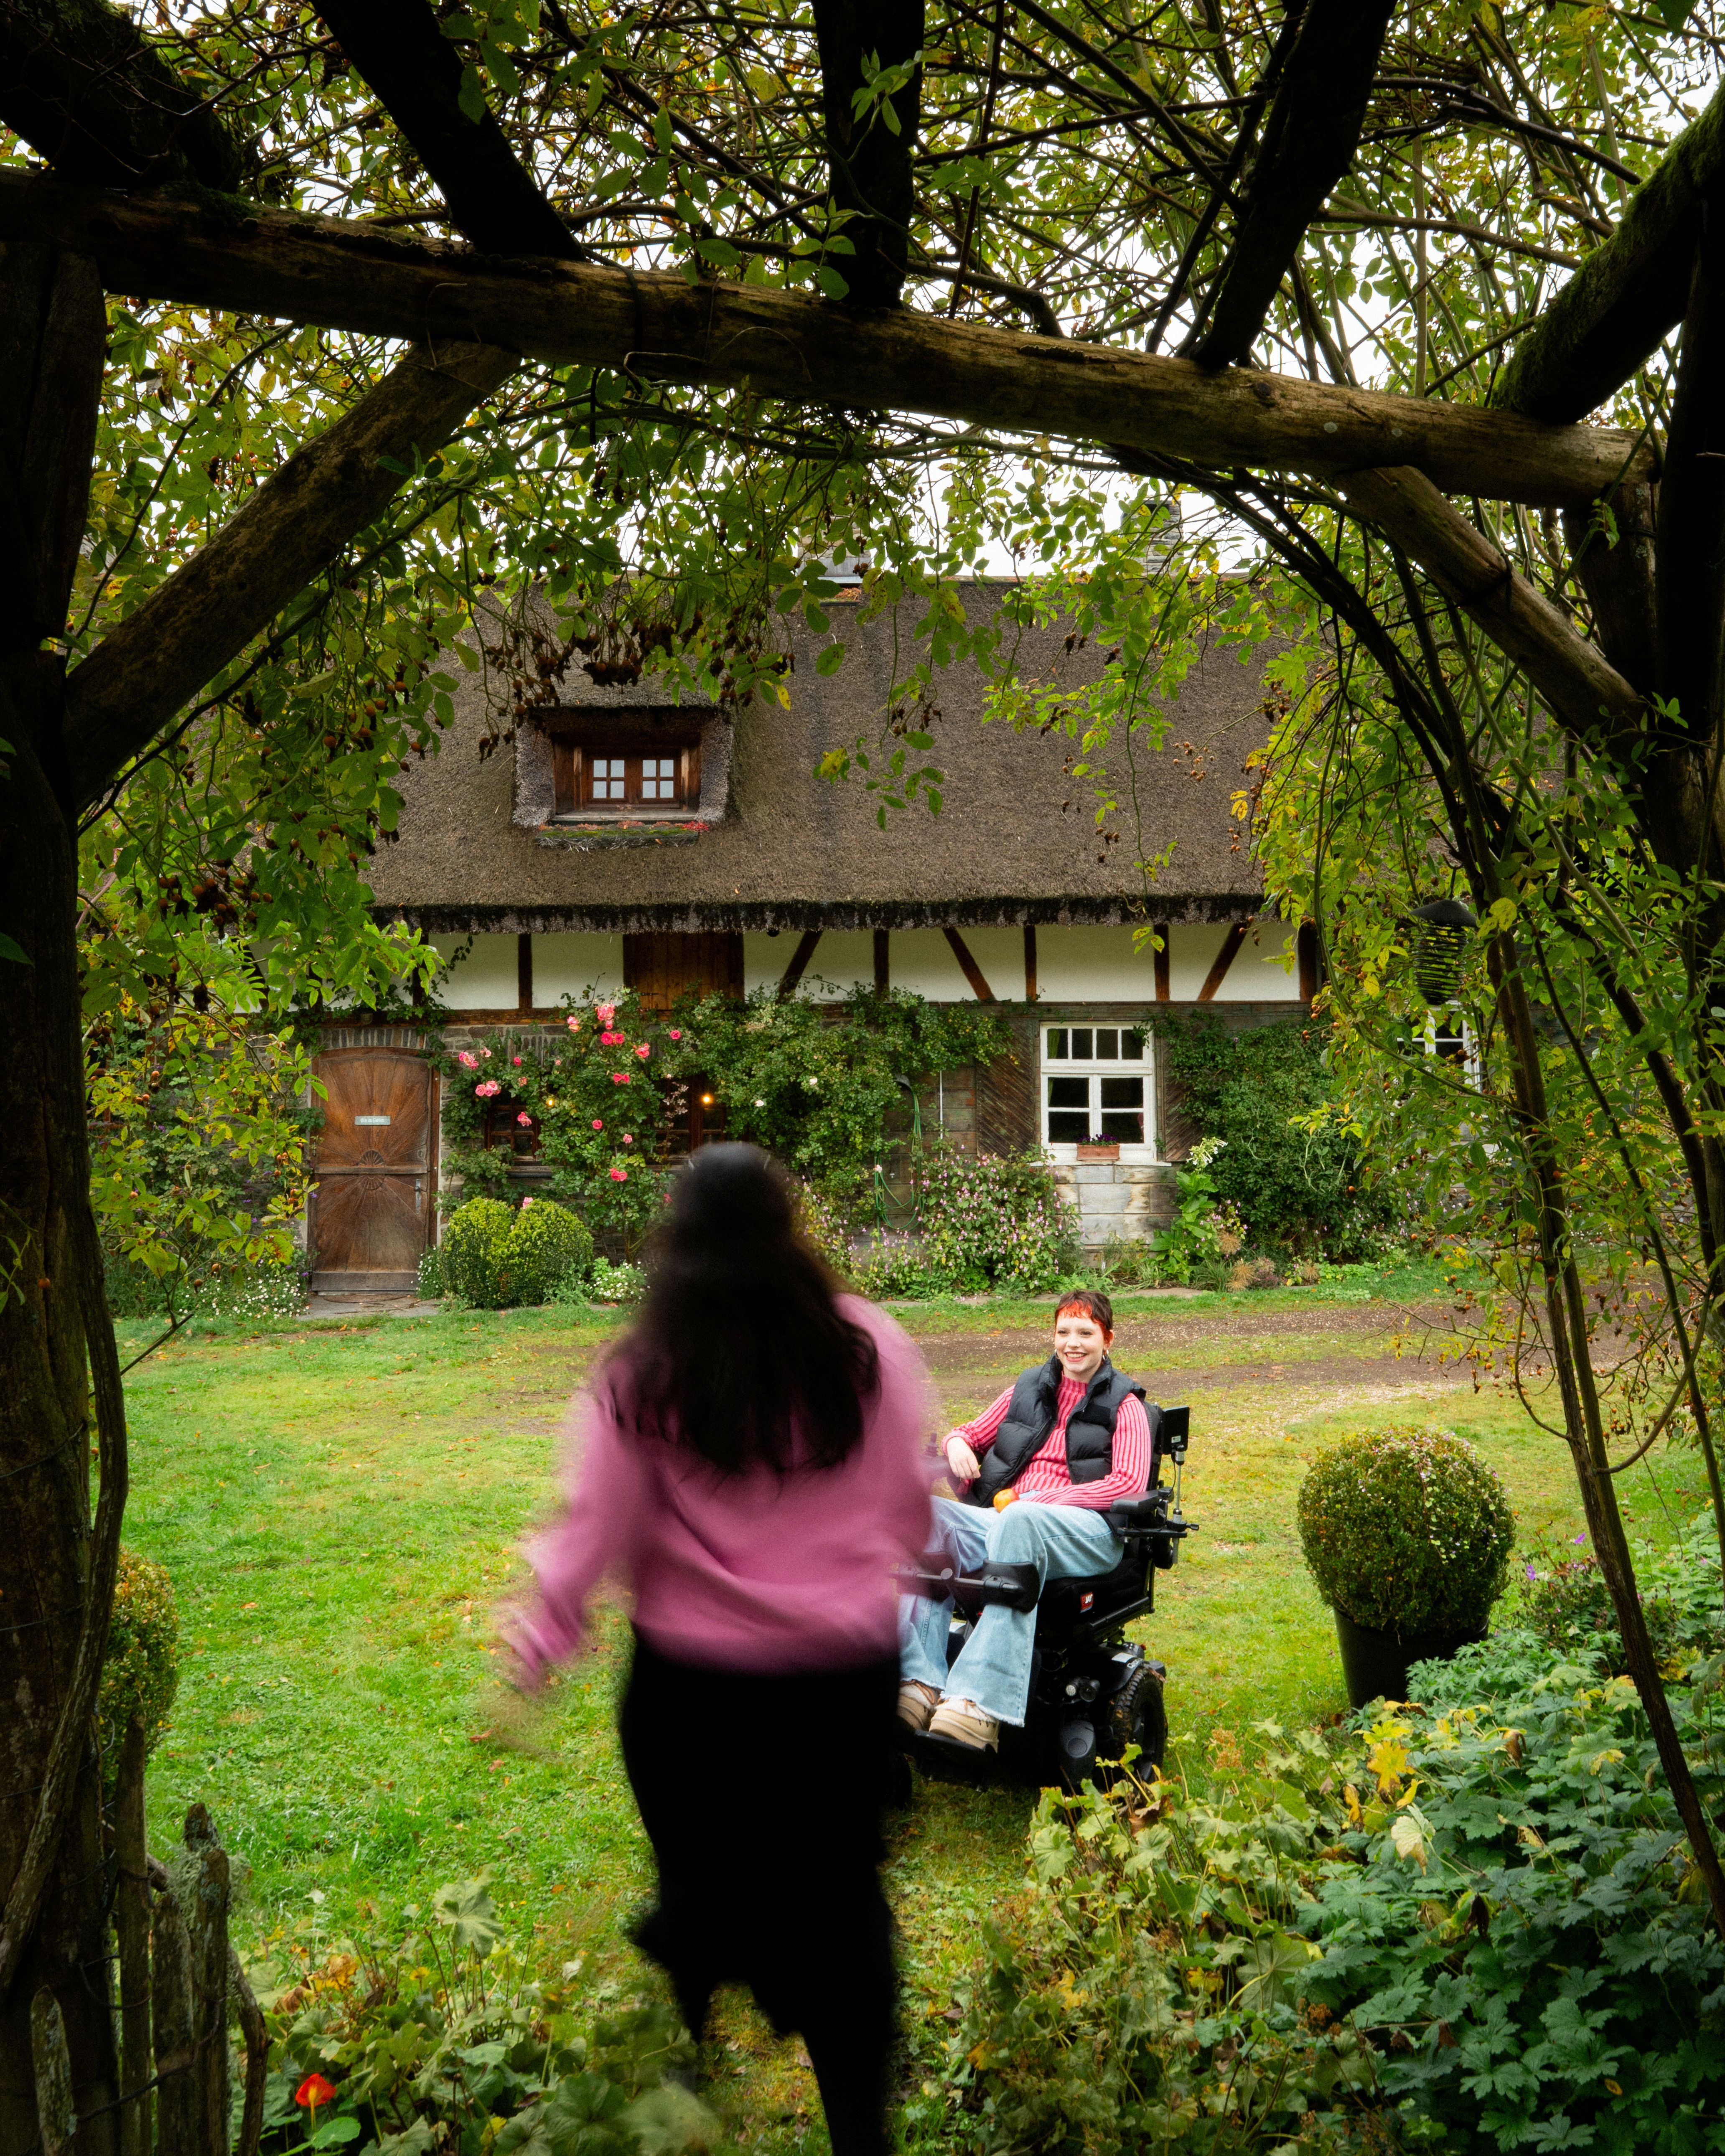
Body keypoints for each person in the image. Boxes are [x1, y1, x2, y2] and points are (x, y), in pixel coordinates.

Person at [504, 1145, 933, 2156]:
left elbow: (587, 1533)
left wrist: (531, 1657)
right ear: (791, 1228)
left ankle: (683, 2074)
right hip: (838, 1689)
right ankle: (857, 2129)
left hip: (693, 1703)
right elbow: (912, 1511)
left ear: (677, 1240)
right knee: (838, 1908)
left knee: (697, 1892)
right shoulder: (865, 1347)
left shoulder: (644, 1373)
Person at [898, 1288, 1149, 1752]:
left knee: (1024, 1518)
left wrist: (1044, 1499)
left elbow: (1127, 1483)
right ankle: (917, 1679)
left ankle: (979, 1701)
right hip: (1016, 1520)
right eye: (1064, 1332)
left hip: (1091, 1531)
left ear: (1107, 1339)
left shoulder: (1126, 1406)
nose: (1073, 1343)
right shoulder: (1026, 1390)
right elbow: (970, 1432)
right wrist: (956, 1443)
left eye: (1086, 1333)